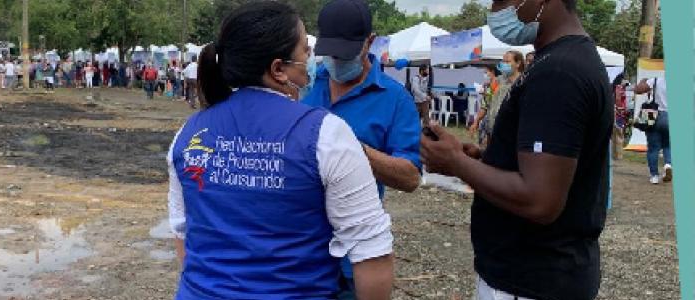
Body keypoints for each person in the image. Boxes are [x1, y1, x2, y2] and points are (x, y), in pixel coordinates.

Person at [168, 2, 393, 299]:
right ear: (278, 69)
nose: (312, 57)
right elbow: (371, 254)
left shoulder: (189, 133)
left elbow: (184, 236)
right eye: (304, 50)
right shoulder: (327, 135)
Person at [420, 0, 612, 298]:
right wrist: (483, 160)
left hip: (531, 281)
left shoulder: (559, 72)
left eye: (502, 0)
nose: (496, 10)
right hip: (541, 275)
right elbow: (552, 169)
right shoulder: (564, 61)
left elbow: (540, 201)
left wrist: (455, 162)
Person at [301, 1, 421, 296]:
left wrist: (352, 149)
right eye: (331, 53)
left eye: (346, 53)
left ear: (370, 41)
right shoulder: (307, 84)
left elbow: (409, 177)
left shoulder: (394, 99)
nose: (337, 61)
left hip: (355, 251)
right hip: (300, 246)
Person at [473, 51, 525, 148]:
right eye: (503, 62)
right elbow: (486, 102)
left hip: (513, 133)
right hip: (492, 130)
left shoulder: (524, 83)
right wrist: (476, 121)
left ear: (518, 63)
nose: (504, 64)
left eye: (507, 62)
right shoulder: (497, 81)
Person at [635, 76, 671, 184]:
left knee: (653, 148)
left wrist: (642, 81)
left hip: (653, 115)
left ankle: (654, 176)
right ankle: (668, 165)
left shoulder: (656, 80)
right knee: (668, 145)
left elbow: (638, 90)